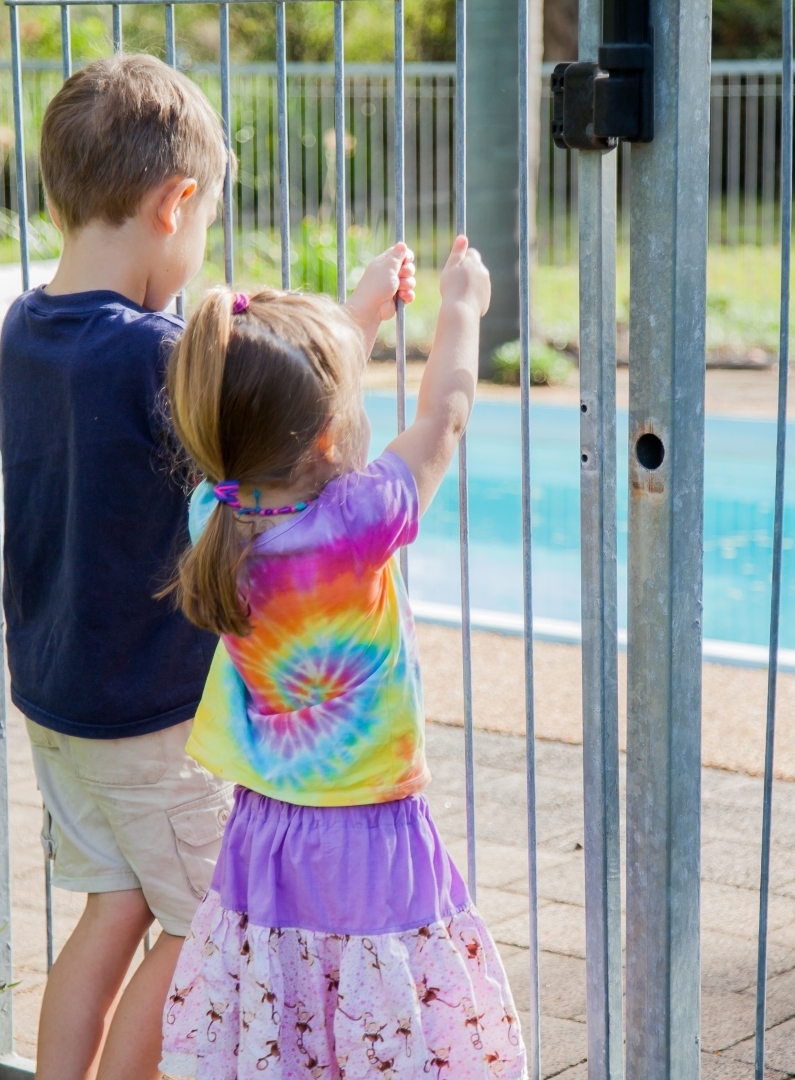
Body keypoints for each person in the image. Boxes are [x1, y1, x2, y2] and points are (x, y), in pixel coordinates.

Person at [159, 235, 524, 1079]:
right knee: (380, 1020)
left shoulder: (210, 518)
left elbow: (266, 423)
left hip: (269, 835)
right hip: (370, 834)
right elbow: (444, 418)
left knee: (298, 1019)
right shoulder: (359, 521)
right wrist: (462, 305)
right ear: (328, 434)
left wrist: (357, 316)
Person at [0, 54, 232, 1080]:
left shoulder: (27, 328)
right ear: (176, 201)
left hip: (59, 703)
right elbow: (271, 426)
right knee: (200, 924)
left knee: (114, 906)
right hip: (151, 716)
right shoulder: (152, 355)